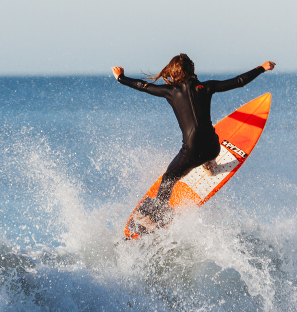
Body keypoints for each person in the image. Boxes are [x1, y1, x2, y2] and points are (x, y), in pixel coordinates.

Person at [112, 54, 275, 233]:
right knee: (207, 138)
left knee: (169, 178)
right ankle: (209, 164)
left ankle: (155, 218)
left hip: (191, 153)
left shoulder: (170, 91)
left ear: (172, 73)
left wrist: (121, 78)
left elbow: (143, 86)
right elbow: (238, 81)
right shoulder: (207, 87)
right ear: (193, 70)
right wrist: (262, 67)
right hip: (214, 148)